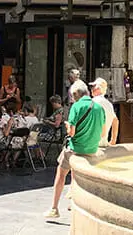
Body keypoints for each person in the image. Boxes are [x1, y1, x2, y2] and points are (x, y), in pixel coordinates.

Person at [45, 84, 104, 219]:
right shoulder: (99, 108)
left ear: (76, 94)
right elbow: (102, 133)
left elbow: (72, 132)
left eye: (72, 96)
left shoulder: (76, 107)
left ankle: (54, 208)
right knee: (76, 177)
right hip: (92, 149)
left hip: (75, 149)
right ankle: (73, 202)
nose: (71, 99)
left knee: (61, 175)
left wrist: (67, 126)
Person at [91, 78, 119, 147]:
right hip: (103, 143)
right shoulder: (109, 104)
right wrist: (113, 140)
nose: (91, 89)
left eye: (93, 86)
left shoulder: (92, 102)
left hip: (90, 143)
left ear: (97, 88)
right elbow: (115, 121)